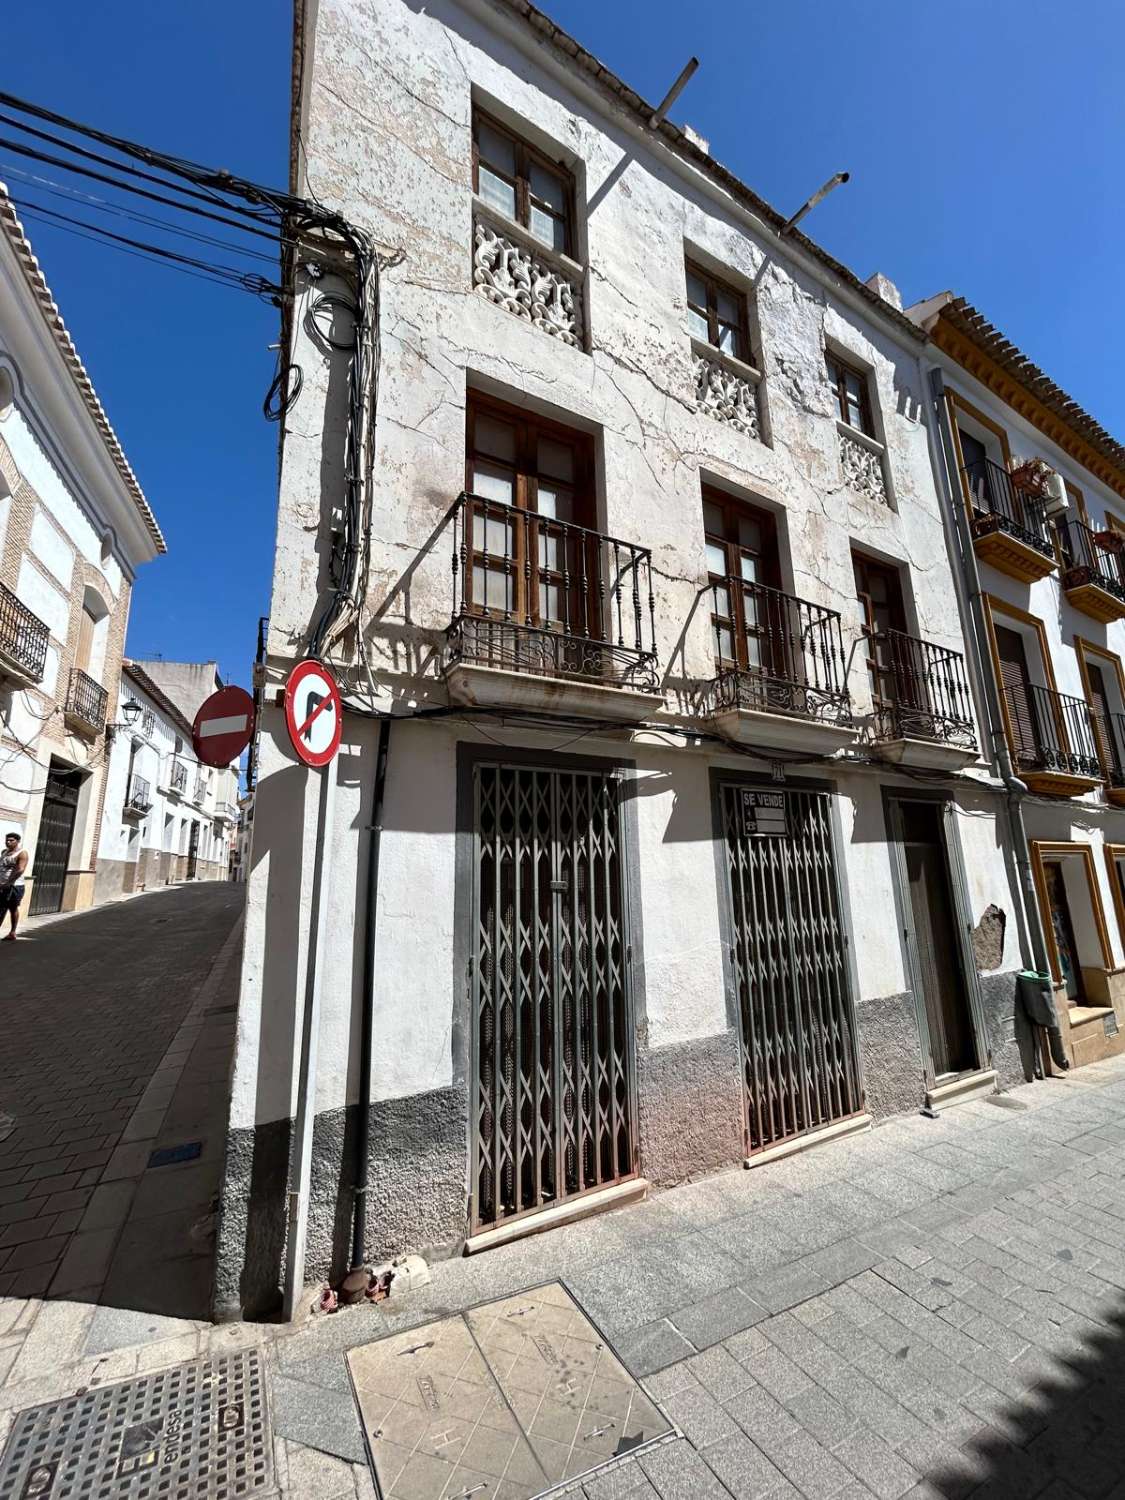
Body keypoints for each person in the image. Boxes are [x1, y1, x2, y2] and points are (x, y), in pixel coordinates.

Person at [0, 832, 28, 941]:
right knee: (1, 907)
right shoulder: (4, 852)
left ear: (17, 841)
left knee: (12, 908)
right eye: (7, 840)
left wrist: (8, 882)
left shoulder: (22, 853)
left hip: (15, 886)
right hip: (2, 885)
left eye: (11, 840)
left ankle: (12, 932)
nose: (8, 842)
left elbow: (21, 869)